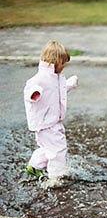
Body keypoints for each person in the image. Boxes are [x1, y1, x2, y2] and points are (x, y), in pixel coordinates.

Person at [23, 40, 78, 188]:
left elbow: (56, 94)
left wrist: (69, 84)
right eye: (63, 63)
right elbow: (30, 88)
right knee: (58, 149)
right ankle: (56, 177)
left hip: (51, 122)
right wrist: (34, 94)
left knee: (48, 149)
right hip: (47, 123)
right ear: (55, 61)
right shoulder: (40, 79)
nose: (64, 67)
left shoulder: (56, 77)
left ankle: (34, 166)